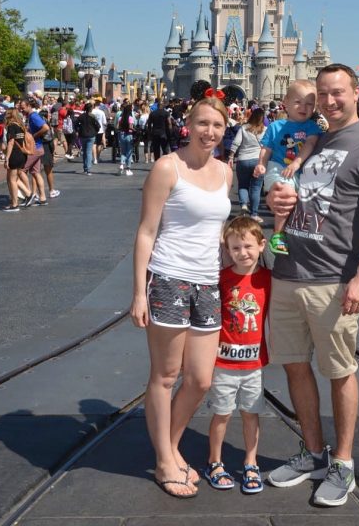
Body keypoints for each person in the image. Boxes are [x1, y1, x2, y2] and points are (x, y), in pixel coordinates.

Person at [265, 64, 359, 507]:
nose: (329, 100)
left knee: (340, 371)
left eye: (338, 92)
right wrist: (277, 199)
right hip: (285, 271)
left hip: (332, 278)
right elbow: (289, 193)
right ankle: (313, 452)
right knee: (294, 366)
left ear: (356, 92)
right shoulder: (309, 140)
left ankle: (342, 463)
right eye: (323, 93)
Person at [130, 95, 233, 499]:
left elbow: (218, 233)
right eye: (203, 123)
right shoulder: (166, 168)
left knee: (202, 379)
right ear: (188, 124)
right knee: (166, 375)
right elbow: (145, 232)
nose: (210, 132)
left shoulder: (226, 173)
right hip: (170, 278)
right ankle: (163, 461)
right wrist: (139, 291)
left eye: (218, 126)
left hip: (208, 283)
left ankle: (170, 446)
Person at [205, 216, 271, 493]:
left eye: (247, 246)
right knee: (222, 414)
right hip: (223, 363)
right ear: (226, 250)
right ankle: (215, 462)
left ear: (261, 246)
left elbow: (284, 247)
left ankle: (250, 462)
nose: (242, 253)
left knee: (250, 413)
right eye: (235, 248)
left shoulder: (269, 279)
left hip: (254, 364)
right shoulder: (222, 278)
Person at [253, 80, 322, 255]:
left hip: (299, 171)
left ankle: (295, 235)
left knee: (299, 203)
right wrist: (261, 164)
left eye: (309, 104)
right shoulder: (276, 127)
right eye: (298, 102)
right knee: (287, 194)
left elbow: (310, 143)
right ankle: (277, 235)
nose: (303, 107)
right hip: (279, 168)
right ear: (286, 102)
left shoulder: (312, 127)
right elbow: (266, 150)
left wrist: (298, 162)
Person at [228, 107, 267, 221]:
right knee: (256, 188)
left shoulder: (244, 128)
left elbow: (236, 143)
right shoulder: (266, 130)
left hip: (243, 160)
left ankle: (244, 205)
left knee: (243, 185)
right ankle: (254, 214)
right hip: (258, 161)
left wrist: (231, 156)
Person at [19, 98, 49, 207]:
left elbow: (45, 128)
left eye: (22, 108)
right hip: (38, 147)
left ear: (28, 106)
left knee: (21, 170)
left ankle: (29, 194)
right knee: (36, 172)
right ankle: (42, 197)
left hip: (35, 148)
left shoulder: (33, 116)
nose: (21, 110)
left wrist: (33, 136)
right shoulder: (29, 117)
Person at [2, 108, 31, 212]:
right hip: (22, 154)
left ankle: (15, 204)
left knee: (12, 180)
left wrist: (7, 158)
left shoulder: (11, 126)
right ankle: (28, 194)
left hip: (14, 154)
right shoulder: (21, 126)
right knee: (15, 178)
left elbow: (11, 142)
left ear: (9, 115)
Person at [75, 102, 99, 175]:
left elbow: (76, 124)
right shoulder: (93, 116)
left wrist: (78, 130)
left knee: (85, 152)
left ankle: (85, 168)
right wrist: (95, 132)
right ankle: (88, 169)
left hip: (83, 135)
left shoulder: (81, 116)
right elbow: (98, 126)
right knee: (88, 152)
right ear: (91, 109)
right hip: (91, 135)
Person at [117, 103, 135, 175]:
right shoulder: (130, 118)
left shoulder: (120, 118)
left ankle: (121, 164)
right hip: (129, 135)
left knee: (123, 151)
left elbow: (118, 127)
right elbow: (131, 127)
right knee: (129, 152)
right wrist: (134, 129)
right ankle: (128, 169)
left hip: (122, 135)